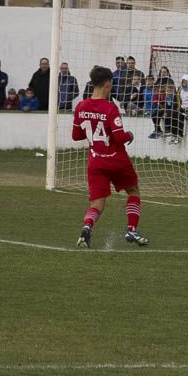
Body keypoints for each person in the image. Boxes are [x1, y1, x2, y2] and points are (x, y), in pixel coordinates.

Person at [71, 65, 148, 247]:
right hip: (116, 160)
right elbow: (120, 137)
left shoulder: (81, 107)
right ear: (107, 84)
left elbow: (76, 136)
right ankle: (131, 230)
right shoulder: (110, 108)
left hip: (95, 162)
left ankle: (87, 228)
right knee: (133, 191)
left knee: (97, 203)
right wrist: (130, 135)